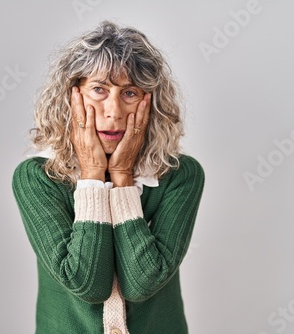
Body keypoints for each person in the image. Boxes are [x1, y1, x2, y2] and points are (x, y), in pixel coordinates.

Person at [12, 20, 205, 334]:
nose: (113, 111)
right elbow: (86, 283)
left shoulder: (181, 175)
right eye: (99, 89)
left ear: (150, 101)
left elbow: (143, 282)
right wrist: (91, 176)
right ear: (70, 96)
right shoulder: (37, 178)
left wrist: (122, 177)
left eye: (129, 93)